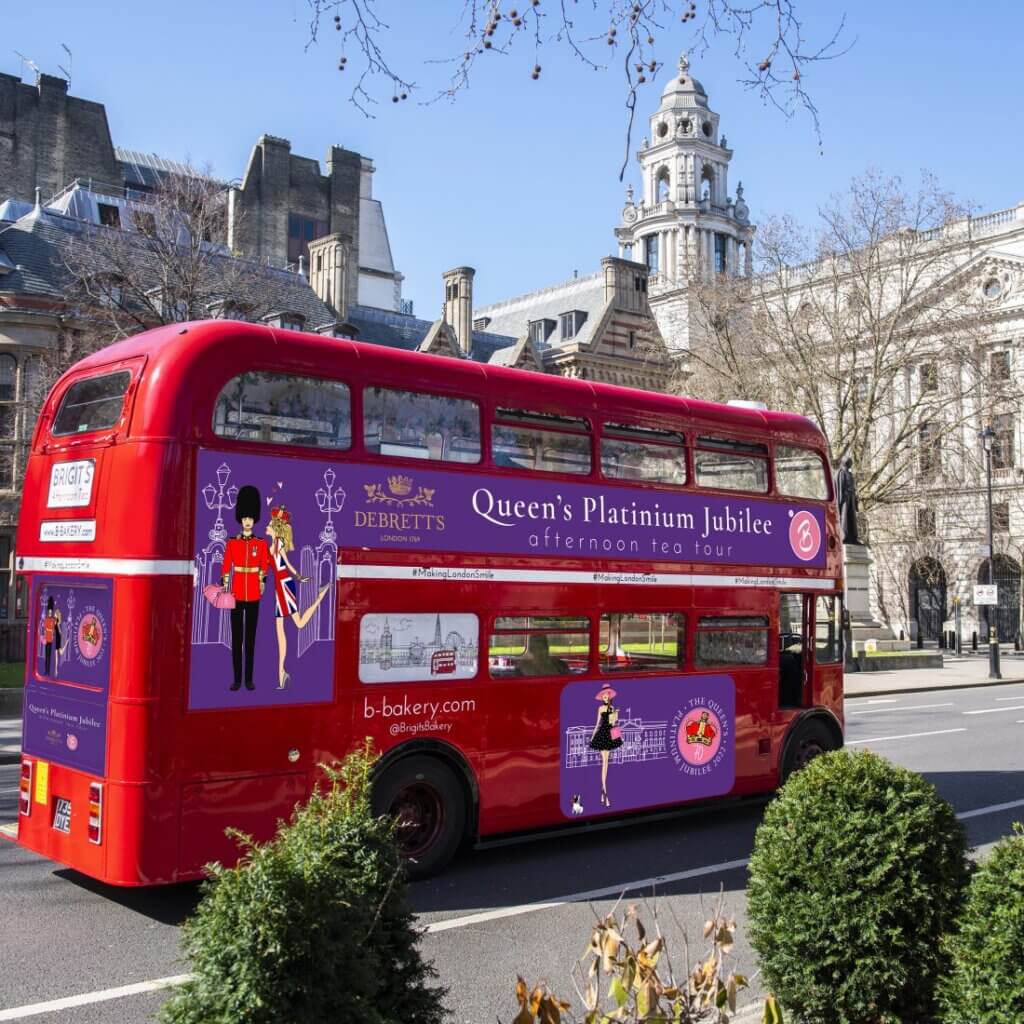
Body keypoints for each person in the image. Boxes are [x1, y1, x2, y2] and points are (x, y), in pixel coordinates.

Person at [265, 506, 331, 689]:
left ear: (276, 528)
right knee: (280, 629)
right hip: (280, 586)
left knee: (298, 624)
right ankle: (281, 672)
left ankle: (320, 596)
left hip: (284, 584)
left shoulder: (277, 543)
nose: (267, 526)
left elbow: (286, 563)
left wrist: (299, 576)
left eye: (269, 524)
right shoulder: (272, 544)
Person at [222, 484, 271, 691]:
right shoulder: (233, 543)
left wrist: (261, 581)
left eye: (250, 518)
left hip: (253, 595)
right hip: (236, 593)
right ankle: (236, 679)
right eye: (245, 518)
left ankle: (249, 679)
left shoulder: (260, 544)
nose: (248, 521)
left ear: (254, 519)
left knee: (250, 640)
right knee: (236, 639)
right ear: (241, 519)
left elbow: (265, 564)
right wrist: (225, 584)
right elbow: (226, 566)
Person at [589, 686, 624, 807]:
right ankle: (605, 794)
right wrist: (593, 736)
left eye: (607, 696)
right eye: (603, 696)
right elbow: (597, 723)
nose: (605, 697)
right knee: (604, 764)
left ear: (609, 696)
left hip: (609, 734)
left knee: (606, 764)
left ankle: (602, 793)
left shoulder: (612, 708)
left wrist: (616, 714)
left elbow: (613, 724)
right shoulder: (600, 708)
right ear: (602, 697)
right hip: (602, 735)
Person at [40, 596, 56, 676]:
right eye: (49, 612)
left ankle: (48, 670)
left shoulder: (53, 620)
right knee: (46, 655)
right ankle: (46, 670)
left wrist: (51, 631)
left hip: (50, 639)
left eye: (51, 612)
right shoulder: (46, 620)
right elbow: (45, 628)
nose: (50, 614)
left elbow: (53, 629)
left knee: (49, 655)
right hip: (47, 639)